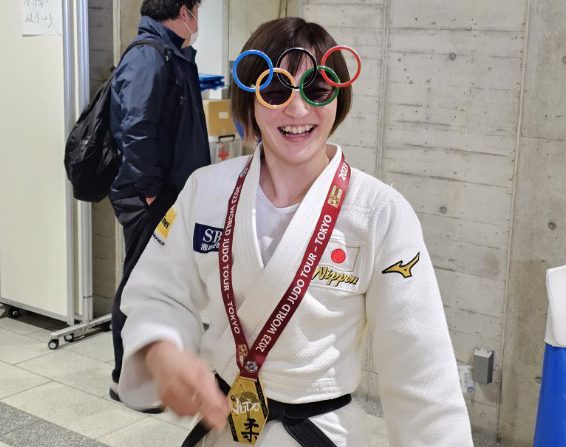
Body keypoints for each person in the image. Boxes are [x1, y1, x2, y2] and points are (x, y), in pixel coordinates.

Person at [117, 17, 474, 446]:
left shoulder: (380, 212)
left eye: (317, 89)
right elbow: (158, 292)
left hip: (319, 432)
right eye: (275, 90)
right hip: (223, 427)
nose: (298, 109)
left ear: (338, 97)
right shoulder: (206, 190)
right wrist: (163, 351)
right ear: (249, 101)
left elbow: (420, 370)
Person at [108, 0, 211, 410]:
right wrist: (151, 190)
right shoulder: (149, 56)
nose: (198, 20)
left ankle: (152, 373)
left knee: (153, 281)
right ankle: (125, 378)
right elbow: (136, 127)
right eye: (197, 10)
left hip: (166, 191)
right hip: (148, 195)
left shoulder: (170, 53)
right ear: (184, 12)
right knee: (139, 283)